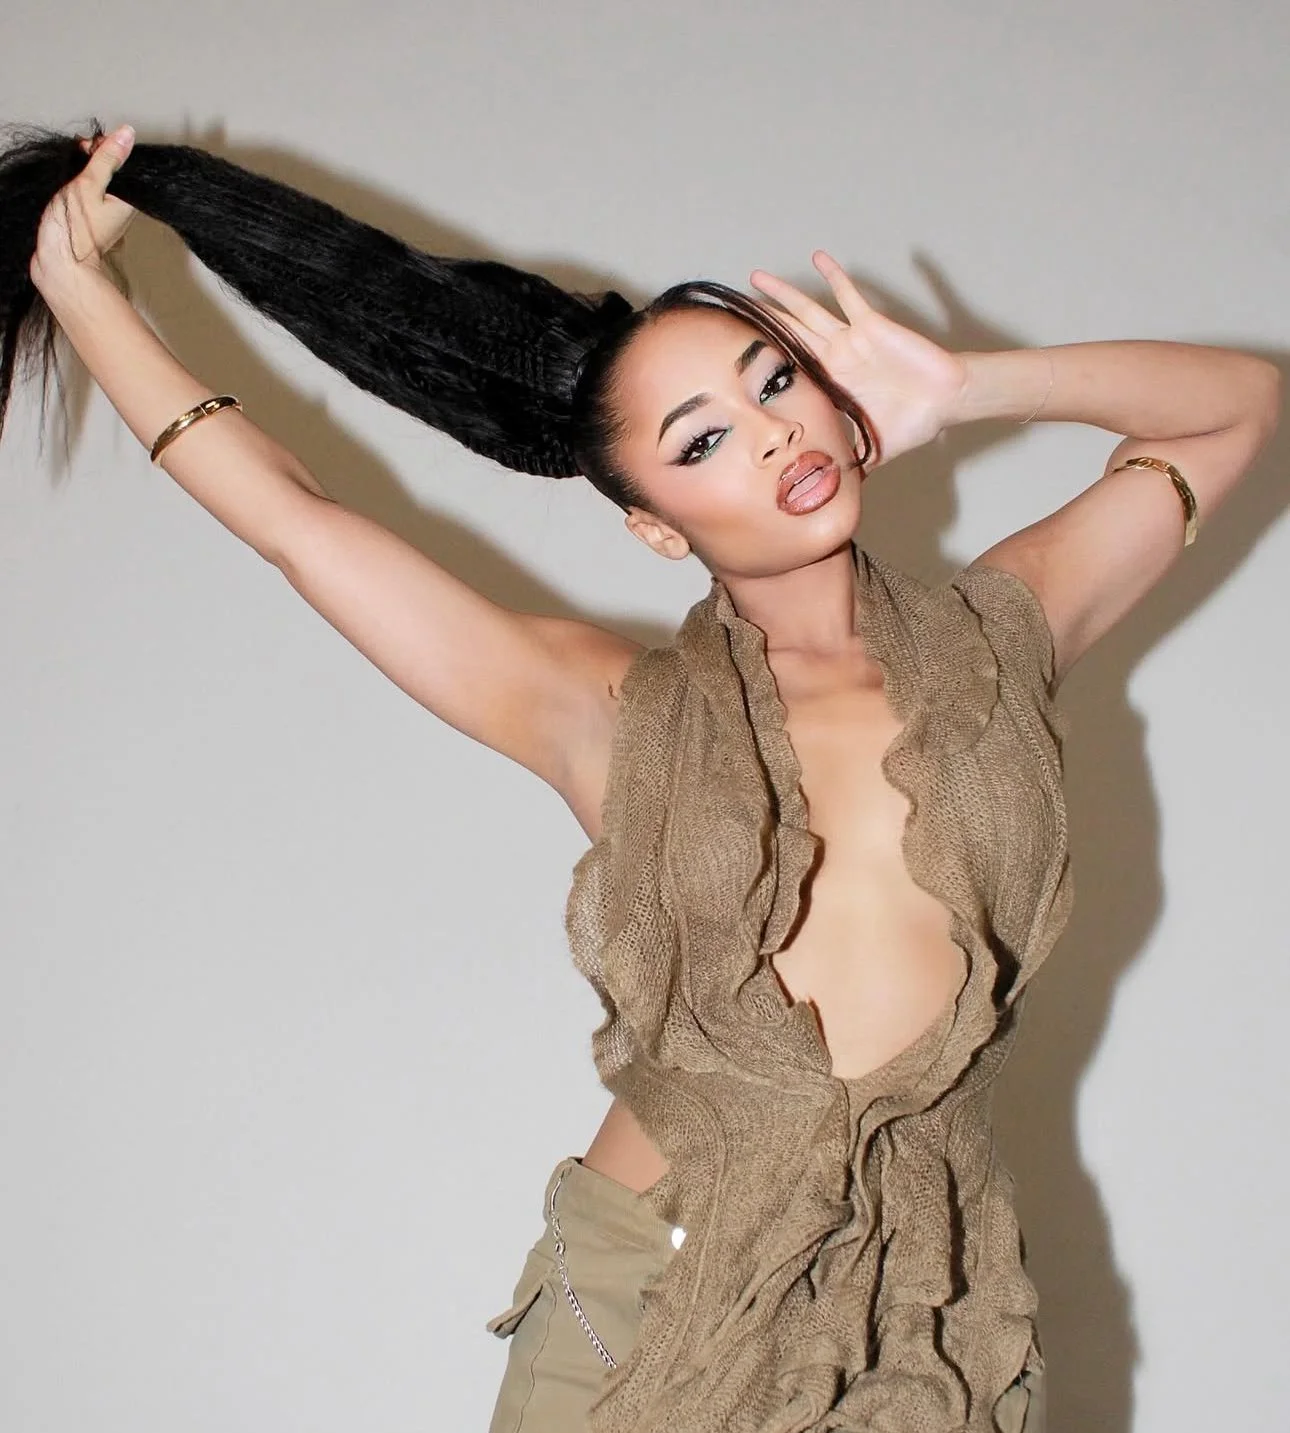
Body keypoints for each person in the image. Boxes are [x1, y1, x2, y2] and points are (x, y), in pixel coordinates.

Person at [0, 122, 1280, 1433]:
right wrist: (82, 296)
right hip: (648, 1289)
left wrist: (962, 388)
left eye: (774, 383)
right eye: (701, 441)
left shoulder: (998, 638)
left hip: (926, 1305)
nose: (769, 436)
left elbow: (1238, 404)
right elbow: (297, 522)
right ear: (656, 528)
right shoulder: (611, 710)